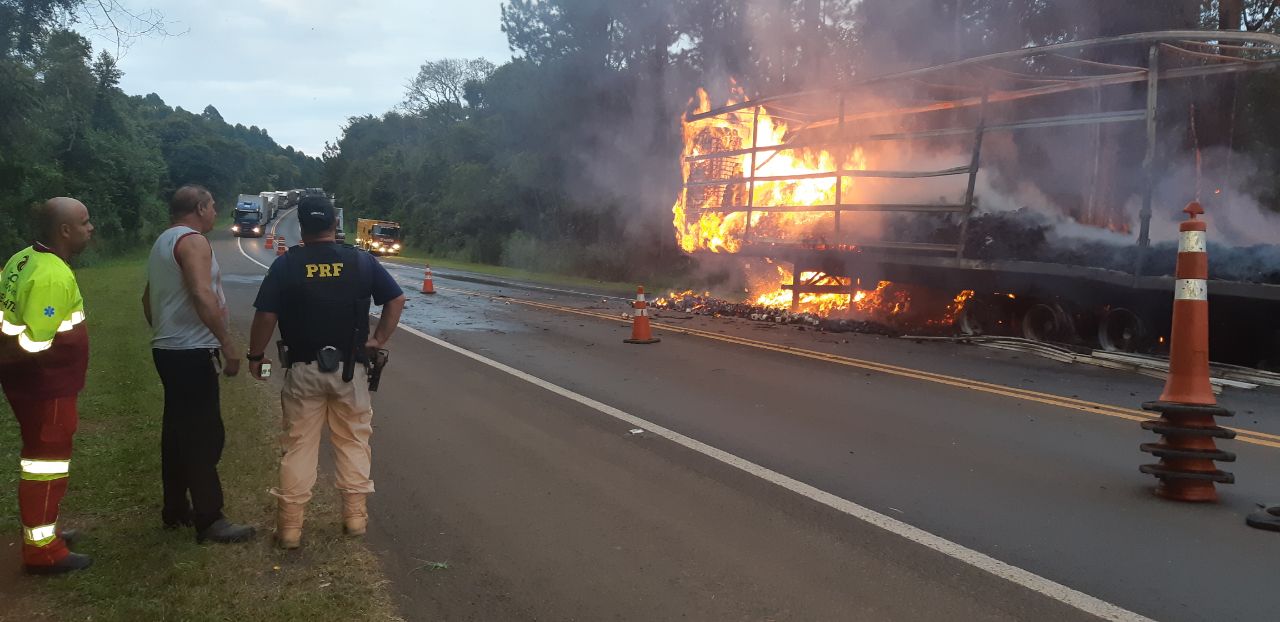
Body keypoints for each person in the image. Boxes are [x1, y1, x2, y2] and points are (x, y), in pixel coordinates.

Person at [246, 195, 405, 549]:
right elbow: (395, 299)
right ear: (335, 225)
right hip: (352, 370)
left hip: (303, 369)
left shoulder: (286, 266)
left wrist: (255, 356)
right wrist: (378, 338)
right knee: (352, 442)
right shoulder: (362, 262)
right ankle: (354, 520)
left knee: (299, 446)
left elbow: (265, 317)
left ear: (301, 226)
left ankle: (289, 529)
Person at [142, 185, 254, 544]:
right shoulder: (193, 242)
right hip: (191, 351)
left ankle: (174, 510)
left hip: (169, 347)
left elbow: (148, 298)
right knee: (204, 435)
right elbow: (201, 292)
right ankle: (210, 518)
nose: (215, 211)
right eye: (212, 205)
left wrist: (163, 330)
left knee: (176, 433)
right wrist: (226, 342)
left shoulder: (163, 242)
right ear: (200, 207)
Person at [0, 197, 94, 574]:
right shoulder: (53, 273)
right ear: (65, 230)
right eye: (85, 222)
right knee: (46, 464)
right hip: (46, 384)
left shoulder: (22, 258)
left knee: (42, 459)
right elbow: (36, 344)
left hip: (27, 383)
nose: (91, 228)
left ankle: (47, 531)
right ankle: (42, 551)